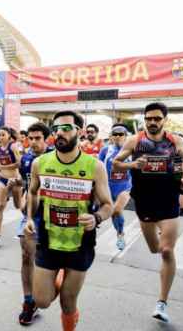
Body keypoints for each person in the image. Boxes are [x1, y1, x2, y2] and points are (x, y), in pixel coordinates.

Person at [24, 110, 113, 331]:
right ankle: (57, 276)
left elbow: (108, 205)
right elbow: (33, 192)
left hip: (79, 243)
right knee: (41, 301)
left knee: (67, 302)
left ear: (79, 131)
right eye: (56, 130)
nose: (59, 134)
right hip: (49, 239)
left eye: (66, 128)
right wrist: (29, 217)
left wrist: (96, 217)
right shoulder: (40, 163)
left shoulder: (95, 166)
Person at [112, 102, 183, 323]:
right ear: (144, 119)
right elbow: (115, 163)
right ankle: (159, 233)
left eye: (157, 118)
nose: (152, 122)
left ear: (164, 120)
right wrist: (133, 166)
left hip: (168, 202)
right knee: (154, 249)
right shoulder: (135, 140)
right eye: (149, 118)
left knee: (167, 251)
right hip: (145, 202)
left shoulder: (175, 140)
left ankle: (162, 302)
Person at [16, 122, 49, 325]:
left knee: (48, 260)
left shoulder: (55, 157)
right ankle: (29, 302)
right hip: (32, 214)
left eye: (38, 138)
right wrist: (19, 191)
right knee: (27, 255)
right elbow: (26, 183)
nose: (34, 142)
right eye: (31, 138)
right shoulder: (27, 158)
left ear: (47, 139)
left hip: (55, 215)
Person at [98, 123, 133, 250]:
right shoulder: (105, 150)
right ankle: (120, 233)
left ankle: (119, 233)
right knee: (114, 214)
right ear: (111, 136)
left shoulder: (132, 150)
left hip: (125, 187)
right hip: (108, 187)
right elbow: (98, 167)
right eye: (115, 134)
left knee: (117, 209)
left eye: (121, 134)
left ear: (125, 136)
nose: (118, 136)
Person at [0, 126, 22, 243]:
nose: (0, 137)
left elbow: (18, 164)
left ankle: (28, 223)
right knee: (0, 206)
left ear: (9, 136)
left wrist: (2, 167)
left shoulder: (13, 146)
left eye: (3, 135)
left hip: (15, 180)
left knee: (18, 206)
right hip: (3, 179)